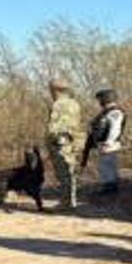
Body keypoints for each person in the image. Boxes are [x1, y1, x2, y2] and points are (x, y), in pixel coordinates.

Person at [46, 79, 82, 209]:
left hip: (60, 143)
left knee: (63, 173)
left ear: (55, 90)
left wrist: (50, 140)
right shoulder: (75, 104)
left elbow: (54, 127)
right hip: (72, 142)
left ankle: (66, 202)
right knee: (70, 172)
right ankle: (71, 201)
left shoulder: (57, 105)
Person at [83, 88, 126, 196]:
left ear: (106, 99)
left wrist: (109, 142)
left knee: (107, 165)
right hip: (105, 143)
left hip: (109, 144)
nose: (99, 102)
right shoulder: (107, 112)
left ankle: (109, 187)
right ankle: (110, 186)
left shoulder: (115, 112)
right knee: (107, 165)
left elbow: (115, 128)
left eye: (101, 99)